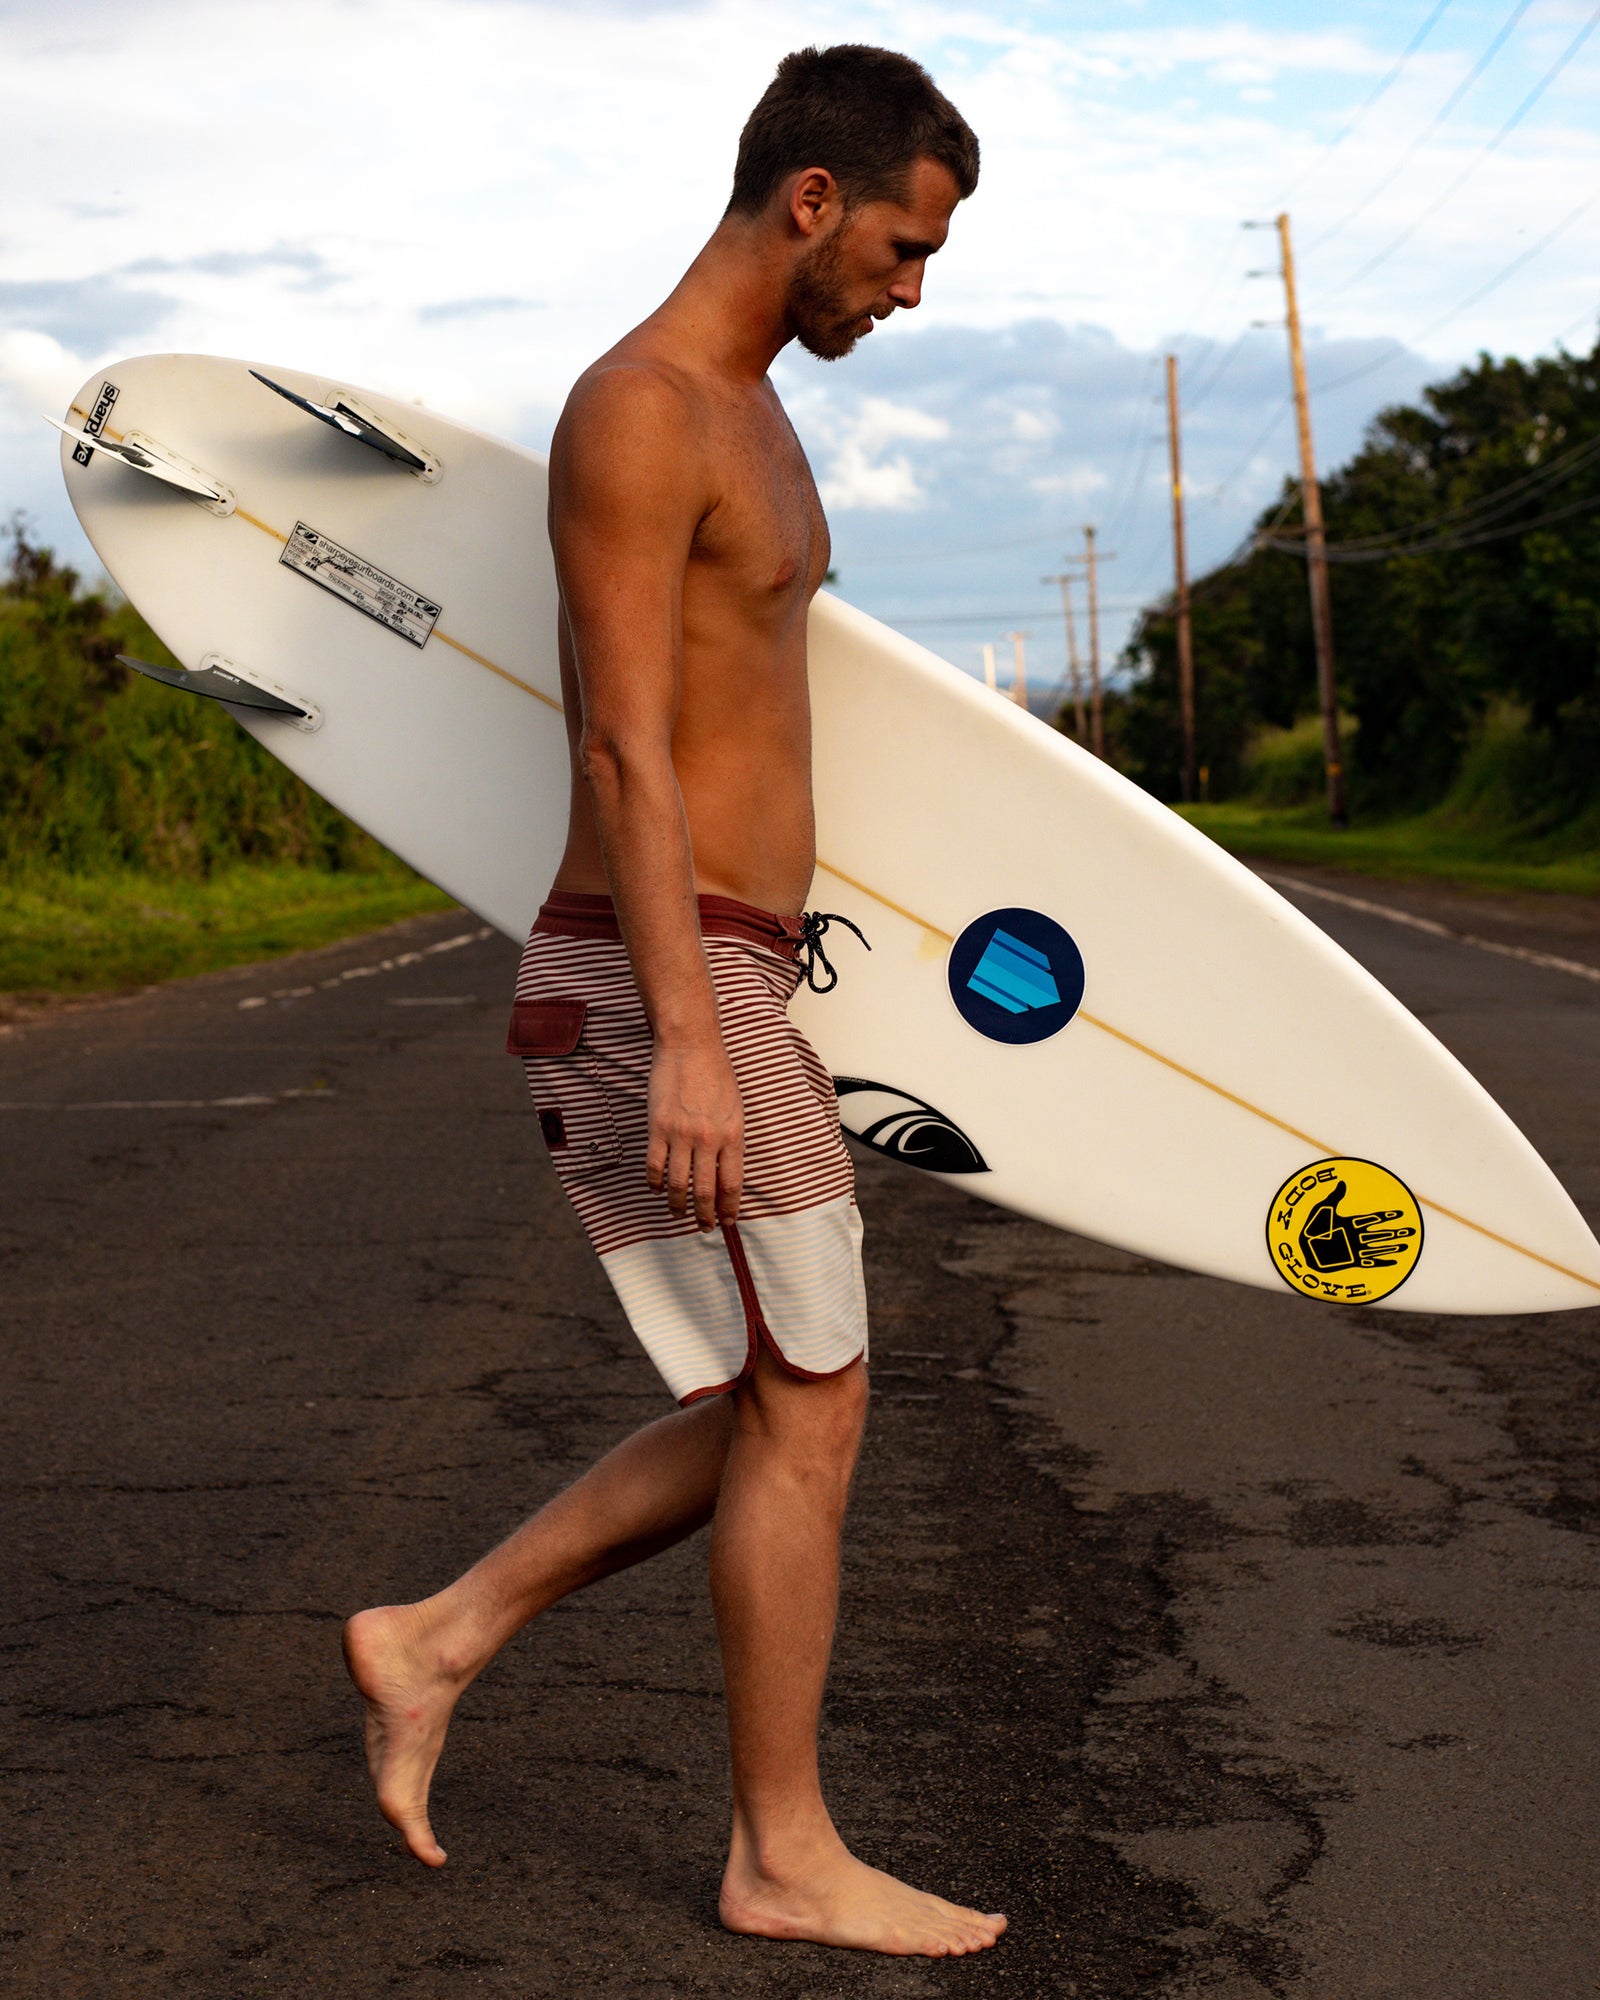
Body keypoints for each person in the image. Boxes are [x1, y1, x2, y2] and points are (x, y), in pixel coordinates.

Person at [343, 44, 1003, 1959]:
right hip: (664, 969)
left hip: (733, 958)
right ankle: (779, 1854)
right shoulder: (639, 411)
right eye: (903, 245)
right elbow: (624, 741)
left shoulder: (756, 416)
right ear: (813, 199)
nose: (909, 287)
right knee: (819, 1398)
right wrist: (694, 1035)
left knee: (787, 1396)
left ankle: (437, 1637)